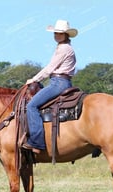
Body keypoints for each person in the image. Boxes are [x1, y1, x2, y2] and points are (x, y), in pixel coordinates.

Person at [22, 20, 78, 154]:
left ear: (66, 35)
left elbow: (50, 68)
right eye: (55, 33)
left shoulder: (64, 48)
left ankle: (37, 142)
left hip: (58, 83)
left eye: (60, 33)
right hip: (60, 81)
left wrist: (34, 79)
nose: (57, 35)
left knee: (31, 106)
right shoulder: (63, 47)